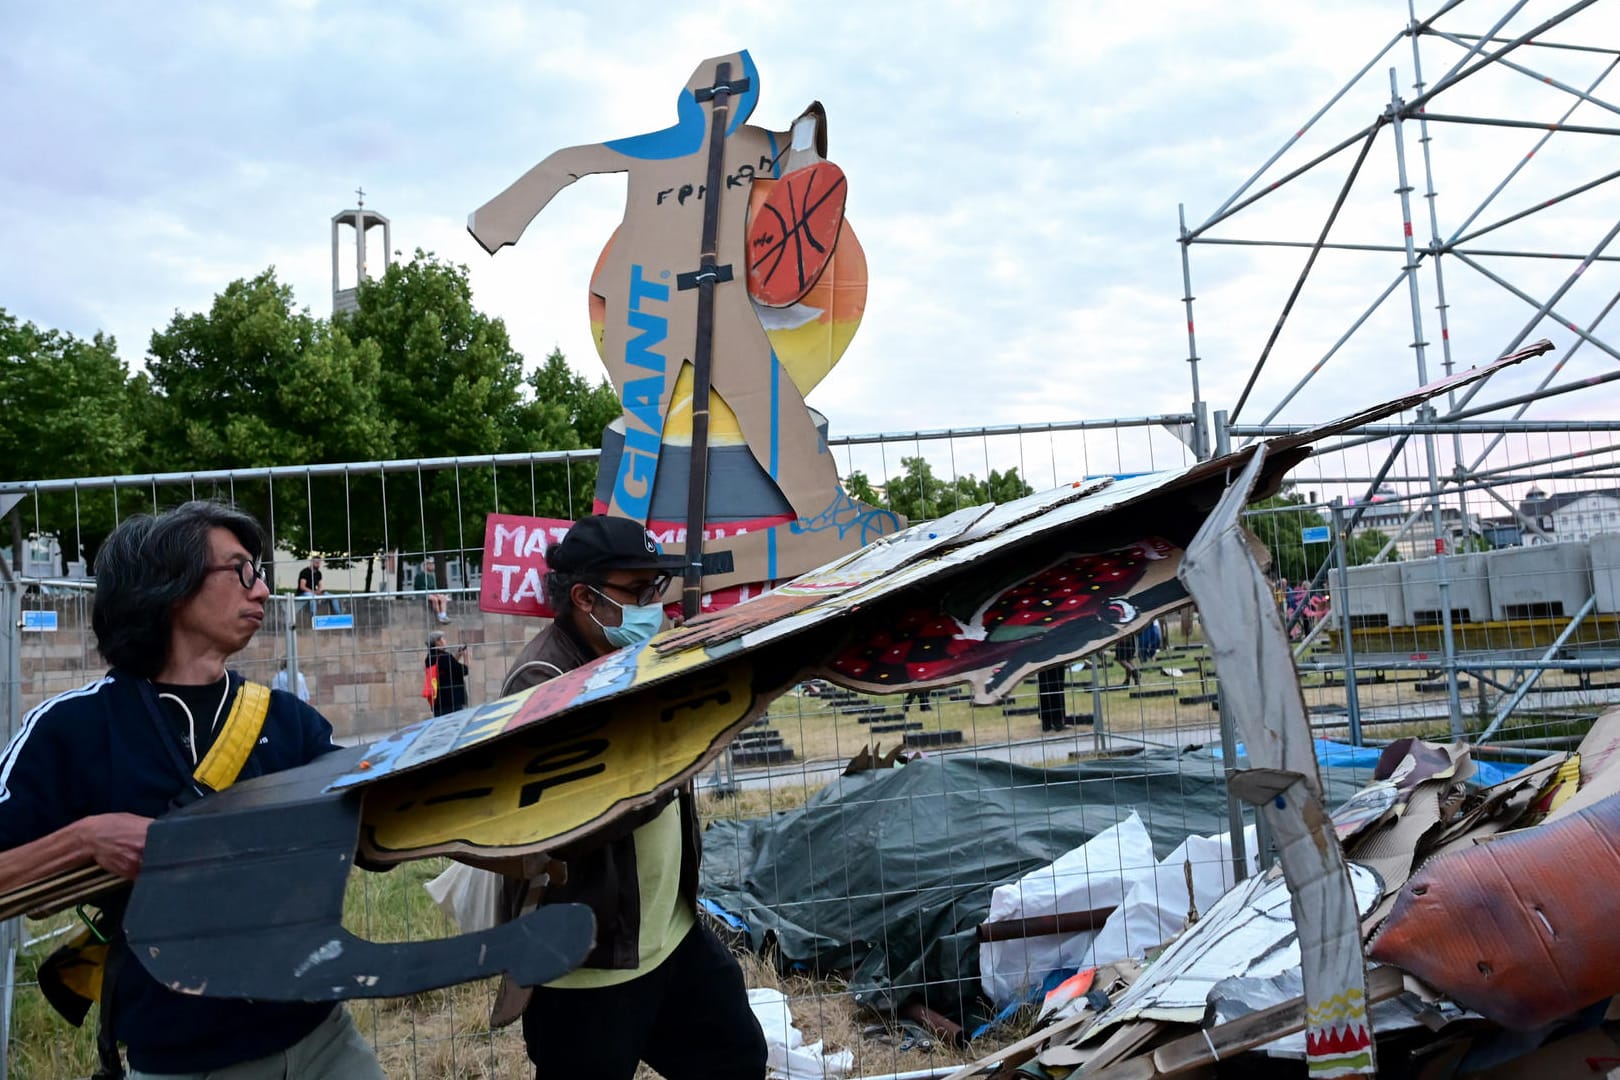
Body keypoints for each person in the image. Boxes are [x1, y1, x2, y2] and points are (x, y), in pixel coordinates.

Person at [0, 500, 383, 1079]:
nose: (262, 592)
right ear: (170, 587)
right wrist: (85, 839)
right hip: (184, 1058)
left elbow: (370, 825)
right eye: (242, 571)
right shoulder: (70, 730)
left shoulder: (288, 720)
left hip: (323, 1037)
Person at [496, 514, 767, 1080]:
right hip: (588, 961)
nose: (655, 605)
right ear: (583, 597)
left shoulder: (643, 657)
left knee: (736, 1058)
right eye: (638, 590)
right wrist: (677, 748)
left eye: (658, 588)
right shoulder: (541, 683)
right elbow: (573, 818)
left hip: (670, 934)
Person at [425, 630, 470, 717]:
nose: (445, 641)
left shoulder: (429, 658)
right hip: (452, 701)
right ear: (438, 642)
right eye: (443, 639)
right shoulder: (445, 657)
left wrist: (457, 656)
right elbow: (464, 670)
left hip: (438, 702)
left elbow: (447, 670)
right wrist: (466, 656)